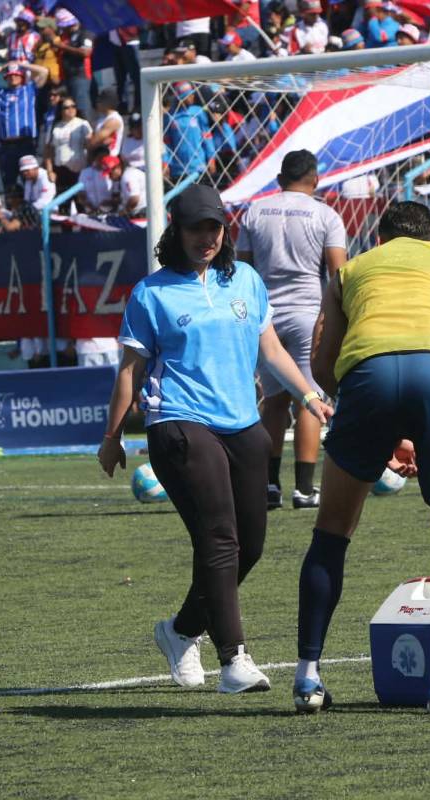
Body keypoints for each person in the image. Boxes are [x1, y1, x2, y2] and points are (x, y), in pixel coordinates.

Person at [98, 183, 332, 695]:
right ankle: (234, 659)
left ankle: (181, 631)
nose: (207, 237)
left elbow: (272, 351)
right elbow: (130, 370)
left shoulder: (246, 279)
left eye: (215, 228)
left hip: (243, 424)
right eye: (196, 228)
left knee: (250, 546)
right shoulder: (151, 293)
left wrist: (309, 395)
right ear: (176, 232)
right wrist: (112, 436)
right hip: (178, 422)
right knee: (219, 538)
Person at [291, 201, 430, 715]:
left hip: (365, 375)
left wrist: (375, 417)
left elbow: (321, 361)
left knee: (330, 532)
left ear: (381, 240)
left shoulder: (352, 270)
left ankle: (307, 678)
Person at [237, 150, 347, 510]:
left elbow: (242, 269)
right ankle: (304, 488)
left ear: (280, 179)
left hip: (264, 315)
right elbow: (339, 274)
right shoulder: (325, 215)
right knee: (309, 398)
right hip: (307, 314)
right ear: (315, 179)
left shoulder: (256, 211)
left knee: (273, 401)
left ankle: (270, 485)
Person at [0, 61, 48, 194]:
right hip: (6, 146)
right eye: (10, 75)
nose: (13, 77)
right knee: (9, 184)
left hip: (25, 143)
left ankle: (30, 206)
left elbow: (44, 71)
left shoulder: (29, 90)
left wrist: (23, 64)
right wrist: (2, 67)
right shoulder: (0, 92)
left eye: (16, 75)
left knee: (30, 182)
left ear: (21, 77)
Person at [46, 10, 92, 118]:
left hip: (80, 76)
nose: (63, 29)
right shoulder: (65, 36)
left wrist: (62, 46)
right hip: (66, 77)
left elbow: (86, 52)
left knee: (81, 108)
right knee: (66, 108)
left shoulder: (85, 33)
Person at [44, 95, 90, 197]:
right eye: (66, 107)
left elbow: (90, 145)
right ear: (61, 110)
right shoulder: (55, 127)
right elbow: (48, 150)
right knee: (63, 201)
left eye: (73, 106)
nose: (71, 109)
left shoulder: (83, 124)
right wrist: (50, 171)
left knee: (81, 201)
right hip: (61, 170)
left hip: (80, 169)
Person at [87, 87, 123, 158]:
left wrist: (91, 140)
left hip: (110, 159)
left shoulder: (114, 120)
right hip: (99, 158)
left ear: (106, 103)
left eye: (99, 101)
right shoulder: (102, 118)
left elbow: (94, 141)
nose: (97, 104)